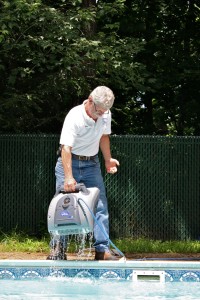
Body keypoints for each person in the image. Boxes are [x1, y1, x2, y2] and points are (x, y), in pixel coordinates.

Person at [47, 86, 120, 260]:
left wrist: (108, 159)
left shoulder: (105, 114)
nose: (102, 115)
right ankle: (58, 249)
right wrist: (69, 176)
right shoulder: (74, 116)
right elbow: (66, 148)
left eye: (105, 111)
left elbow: (103, 136)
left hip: (92, 164)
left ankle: (102, 250)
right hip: (69, 161)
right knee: (63, 206)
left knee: (100, 206)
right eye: (99, 110)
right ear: (89, 100)